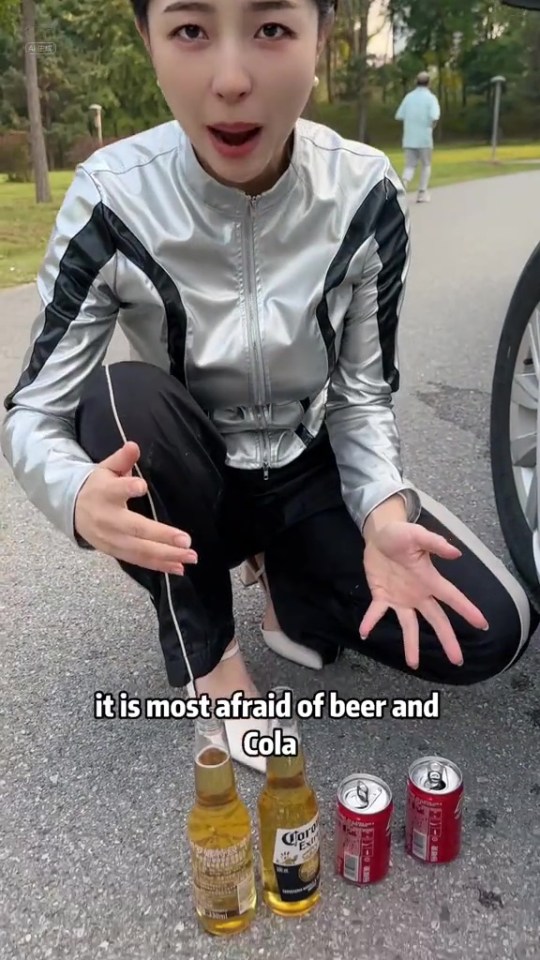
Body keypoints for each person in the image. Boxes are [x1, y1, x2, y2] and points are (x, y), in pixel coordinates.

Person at [1, 0, 534, 775]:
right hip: (195, 480)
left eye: (272, 29)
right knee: (119, 398)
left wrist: (384, 512)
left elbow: (364, 393)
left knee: (495, 629)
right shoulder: (111, 197)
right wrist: (75, 493)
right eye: (190, 31)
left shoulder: (366, 194)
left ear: (324, 36)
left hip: (304, 468)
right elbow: (33, 410)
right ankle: (210, 659)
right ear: (147, 40)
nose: (231, 79)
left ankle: (290, 575)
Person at [395, 70, 441, 203]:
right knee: (426, 165)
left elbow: (399, 115)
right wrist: (431, 127)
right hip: (424, 138)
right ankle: (422, 193)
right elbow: (434, 116)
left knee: (409, 165)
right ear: (429, 83)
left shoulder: (408, 97)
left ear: (416, 82)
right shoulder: (431, 98)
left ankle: (402, 187)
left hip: (409, 137)